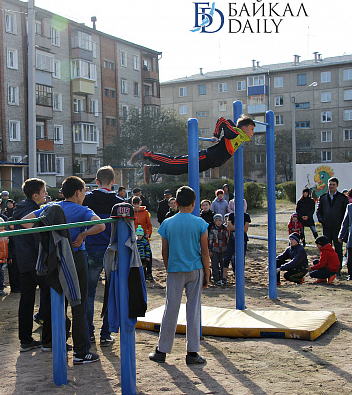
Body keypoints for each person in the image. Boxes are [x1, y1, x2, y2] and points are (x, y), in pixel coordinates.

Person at [22, 176, 105, 365]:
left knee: (59, 303)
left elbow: (24, 222)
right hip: (75, 257)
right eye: (83, 192)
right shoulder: (83, 210)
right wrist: (83, 234)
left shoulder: (52, 207)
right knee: (79, 304)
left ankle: (56, 343)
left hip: (55, 259)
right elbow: (101, 225)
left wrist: (49, 236)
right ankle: (81, 352)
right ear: (78, 192)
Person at [148, 185, 210, 365]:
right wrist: (207, 272)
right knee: (194, 309)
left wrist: (169, 268)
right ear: (194, 203)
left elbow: (164, 251)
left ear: (175, 202)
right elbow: (205, 251)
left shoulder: (167, 223)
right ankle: (192, 352)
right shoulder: (200, 223)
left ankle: (162, 350)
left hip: (175, 269)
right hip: (195, 269)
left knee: (171, 309)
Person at [131, 116, 256, 184]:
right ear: (244, 128)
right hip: (205, 157)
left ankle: (151, 170)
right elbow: (222, 120)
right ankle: (146, 154)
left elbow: (228, 122)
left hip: (208, 164)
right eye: (251, 129)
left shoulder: (240, 137)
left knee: (178, 170)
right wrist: (216, 136)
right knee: (174, 162)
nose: (253, 132)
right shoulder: (235, 134)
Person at [82, 165, 124, 347]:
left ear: (96, 181)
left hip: (91, 249)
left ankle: (89, 332)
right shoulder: (120, 203)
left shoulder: (86, 200)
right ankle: (106, 333)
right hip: (112, 251)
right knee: (111, 292)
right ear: (113, 182)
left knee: (89, 293)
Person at [12, 178, 52, 352]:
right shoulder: (33, 211)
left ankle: (25, 340)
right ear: (35, 195)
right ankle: (49, 340)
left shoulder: (19, 209)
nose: (46, 194)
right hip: (36, 260)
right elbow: (37, 238)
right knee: (50, 296)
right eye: (44, 191)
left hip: (23, 261)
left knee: (26, 300)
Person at [316, 177, 349, 269]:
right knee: (326, 249)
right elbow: (319, 211)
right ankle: (327, 268)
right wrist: (322, 221)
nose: (331, 186)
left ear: (337, 185)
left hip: (338, 228)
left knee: (338, 249)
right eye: (330, 184)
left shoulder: (342, 198)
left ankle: (338, 268)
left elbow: (346, 213)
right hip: (326, 227)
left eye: (333, 184)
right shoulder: (323, 197)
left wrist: (343, 224)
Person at [223, 208, 251, 282]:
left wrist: (234, 227)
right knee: (227, 257)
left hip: (242, 239)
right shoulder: (231, 215)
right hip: (232, 239)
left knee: (240, 258)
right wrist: (240, 226)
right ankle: (224, 277)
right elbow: (228, 227)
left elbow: (245, 229)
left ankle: (239, 276)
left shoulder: (246, 216)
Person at [208, 214, 229, 286]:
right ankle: (216, 278)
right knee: (214, 265)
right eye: (217, 221)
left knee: (223, 264)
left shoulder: (225, 229)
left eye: (220, 220)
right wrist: (210, 250)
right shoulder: (212, 230)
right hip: (215, 250)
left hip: (224, 250)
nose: (218, 222)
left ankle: (223, 278)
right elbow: (210, 241)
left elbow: (228, 239)